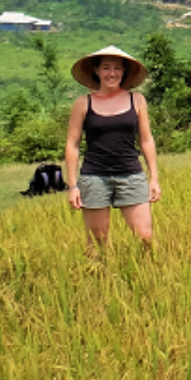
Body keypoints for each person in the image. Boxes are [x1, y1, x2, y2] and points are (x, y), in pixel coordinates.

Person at [62, 46, 161, 251]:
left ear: (124, 72)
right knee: (97, 242)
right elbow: (72, 144)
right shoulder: (83, 103)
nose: (112, 73)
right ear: (96, 70)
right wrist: (73, 186)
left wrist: (154, 178)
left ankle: (144, 277)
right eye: (106, 67)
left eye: (117, 68)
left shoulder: (137, 100)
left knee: (145, 237)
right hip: (94, 177)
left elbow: (146, 140)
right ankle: (99, 279)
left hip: (131, 174)